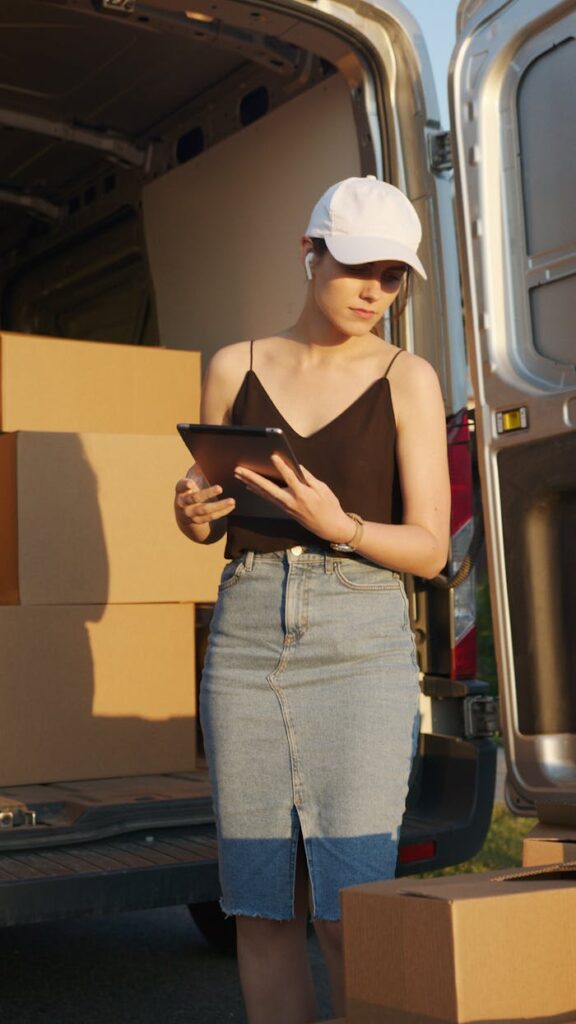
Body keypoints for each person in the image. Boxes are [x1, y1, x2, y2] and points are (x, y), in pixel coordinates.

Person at [174, 176, 450, 1024]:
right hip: (248, 633)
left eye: (393, 275)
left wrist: (344, 524)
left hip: (361, 640)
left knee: (349, 910)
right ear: (310, 253)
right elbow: (206, 514)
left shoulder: (408, 377)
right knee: (260, 910)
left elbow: (432, 547)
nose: (375, 291)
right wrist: (188, 510)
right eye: (357, 267)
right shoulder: (235, 365)